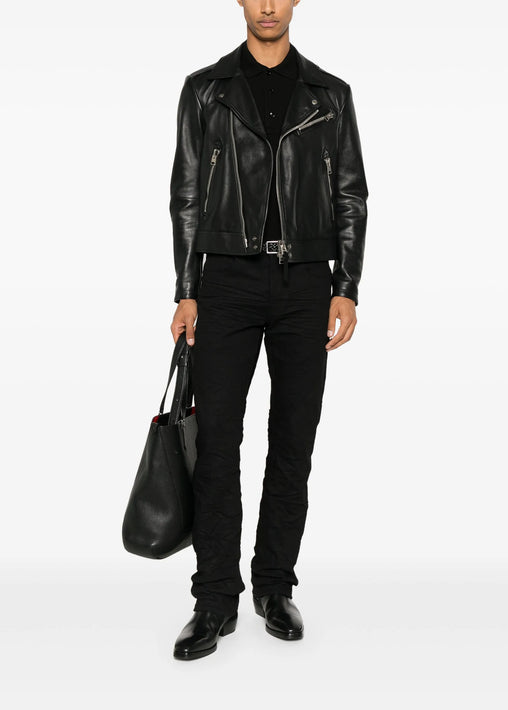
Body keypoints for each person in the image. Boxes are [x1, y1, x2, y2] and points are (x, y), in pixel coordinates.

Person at [169, 0, 368, 661]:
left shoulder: (330, 95)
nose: (267, 6)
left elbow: (350, 194)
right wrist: (187, 290)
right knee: (216, 443)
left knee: (292, 443)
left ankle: (274, 586)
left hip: (305, 284)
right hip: (225, 281)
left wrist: (346, 286)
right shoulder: (206, 90)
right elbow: (187, 193)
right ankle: (213, 598)